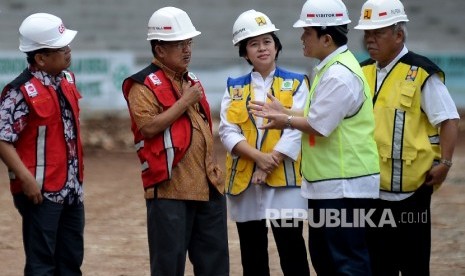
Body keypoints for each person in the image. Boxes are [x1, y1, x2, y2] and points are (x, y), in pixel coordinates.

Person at [249, 0, 381, 274]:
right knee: (326, 260)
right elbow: (320, 113)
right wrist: (285, 110)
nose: (301, 38)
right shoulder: (332, 69)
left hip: (345, 186)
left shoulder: (339, 75)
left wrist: (283, 119)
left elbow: (320, 125)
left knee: (347, 263)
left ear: (327, 38)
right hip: (331, 184)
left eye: (307, 33)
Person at [354, 0, 460, 275]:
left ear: (398, 35)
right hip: (371, 192)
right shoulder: (361, 71)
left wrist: (445, 164)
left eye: (378, 33)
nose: (370, 39)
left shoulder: (421, 72)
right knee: (378, 266)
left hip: (412, 193)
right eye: (367, 33)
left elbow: (448, 120)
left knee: (413, 266)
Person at [121, 7, 229, 276]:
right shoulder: (142, 85)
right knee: (168, 266)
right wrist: (184, 102)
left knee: (214, 265)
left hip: (208, 185)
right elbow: (147, 128)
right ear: (159, 50)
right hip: (170, 188)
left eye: (189, 42)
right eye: (180, 44)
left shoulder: (190, 80)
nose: (187, 49)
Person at [219, 9, 310, 276]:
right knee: (252, 252)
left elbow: (298, 129)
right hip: (246, 182)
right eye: (254, 44)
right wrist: (258, 159)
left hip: (285, 182)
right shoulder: (234, 87)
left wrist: (270, 162)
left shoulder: (295, 83)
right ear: (244, 52)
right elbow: (227, 130)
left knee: (292, 248)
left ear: (277, 46)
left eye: (267, 41)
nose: (262, 48)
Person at [0, 13, 85, 275]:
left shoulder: (67, 80)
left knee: (70, 262)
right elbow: (2, 139)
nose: (68, 51)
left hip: (71, 189)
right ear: (40, 58)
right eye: (61, 48)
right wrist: (26, 180)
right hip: (41, 193)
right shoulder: (19, 92)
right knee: (42, 265)